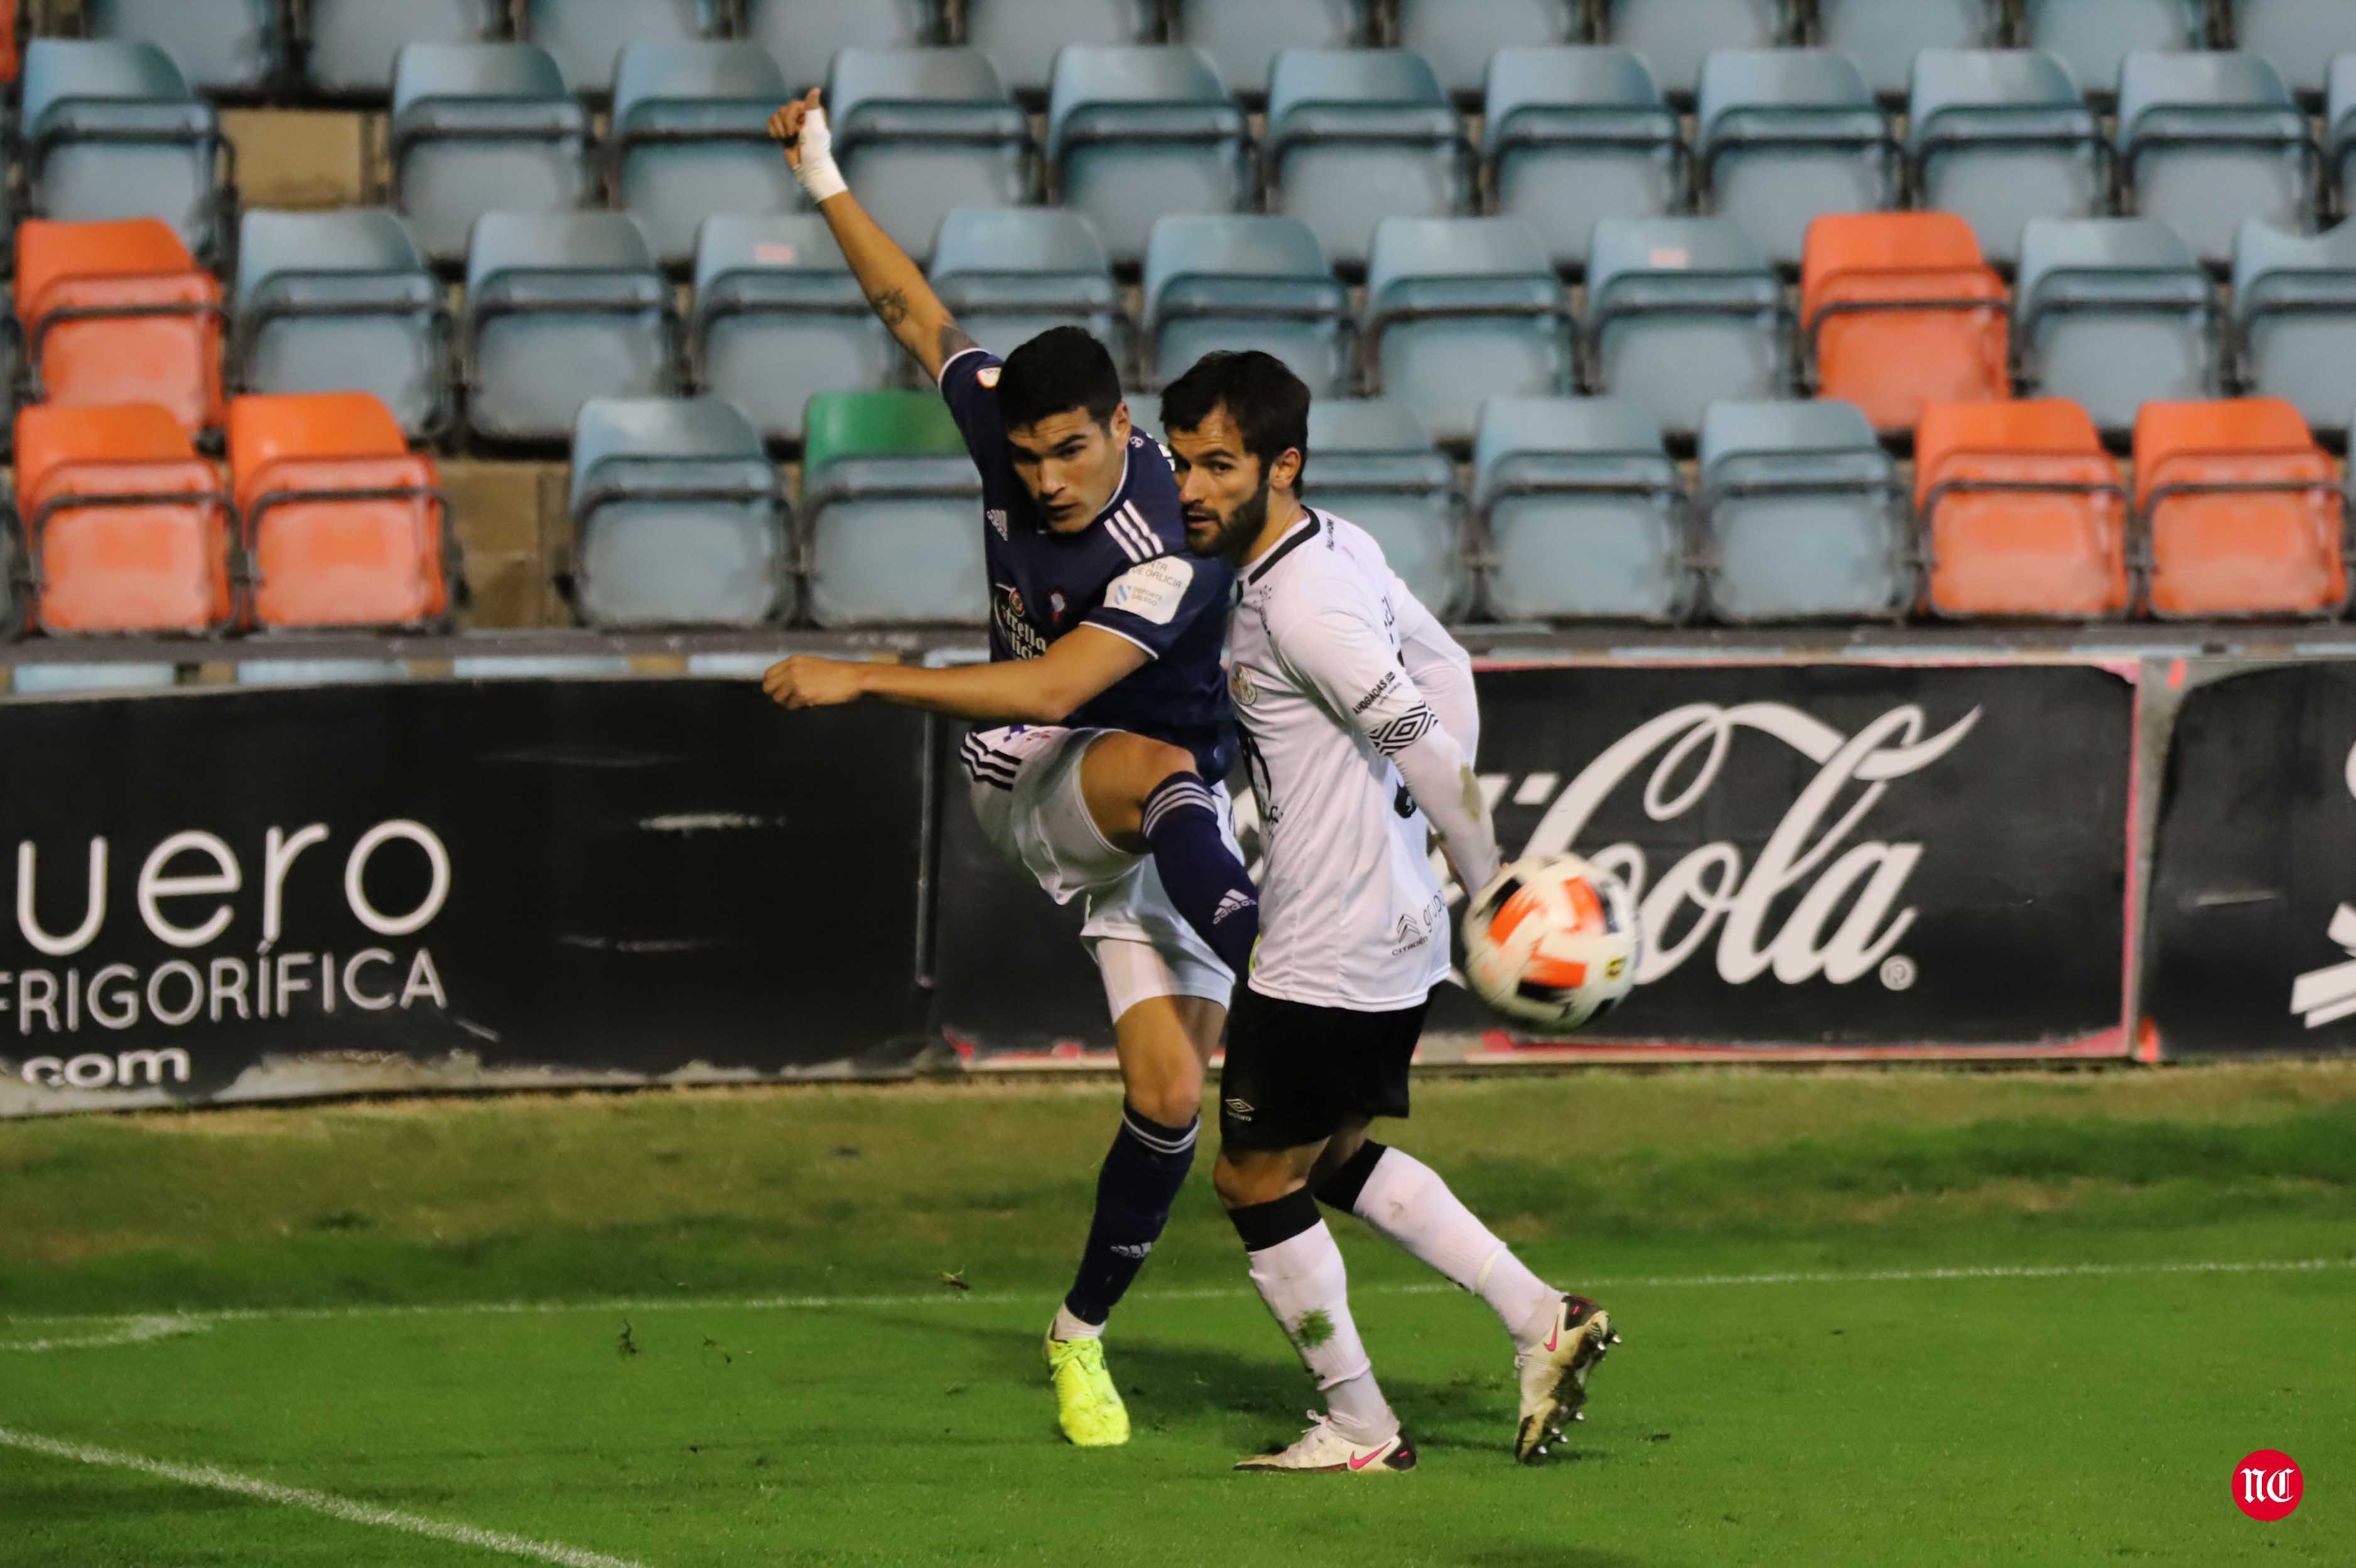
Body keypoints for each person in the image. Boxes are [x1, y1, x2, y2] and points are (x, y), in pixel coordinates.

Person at [759, 90, 1261, 1449]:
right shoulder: (1010, 423)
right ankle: (1285, 969)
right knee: (1157, 767)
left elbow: (1058, 669)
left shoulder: (1172, 541)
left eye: (1067, 450)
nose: (1039, 477)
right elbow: (915, 315)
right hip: (1042, 773)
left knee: (1170, 1100)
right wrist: (821, 172)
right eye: (1025, 453)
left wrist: (863, 673)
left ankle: (1077, 1337)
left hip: (1166, 807)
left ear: (1119, 425)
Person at [1160, 351, 1618, 1474]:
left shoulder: (1302, 600)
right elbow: (1447, 666)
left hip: (1327, 941)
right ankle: (1540, 1315)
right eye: (1181, 463)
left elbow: (1415, 728)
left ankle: (1359, 1425)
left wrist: (1490, 878)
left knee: (1252, 1178)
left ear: (1283, 465)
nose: (1191, 488)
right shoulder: (1339, 546)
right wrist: (1421, 852)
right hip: (1390, 930)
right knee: (1335, 1155)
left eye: (1218, 464)